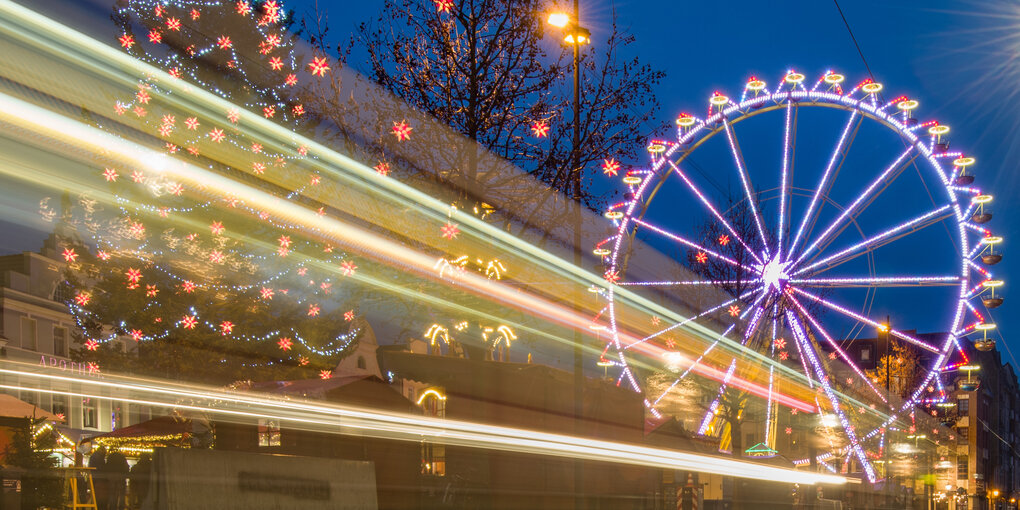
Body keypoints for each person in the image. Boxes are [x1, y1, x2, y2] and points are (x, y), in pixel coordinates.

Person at [88, 446, 108, 510]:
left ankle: (94, 507)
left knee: (94, 494)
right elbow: (101, 468)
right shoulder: (99, 457)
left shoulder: (94, 456)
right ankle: (97, 507)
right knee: (98, 495)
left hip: (94, 477)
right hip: (98, 478)